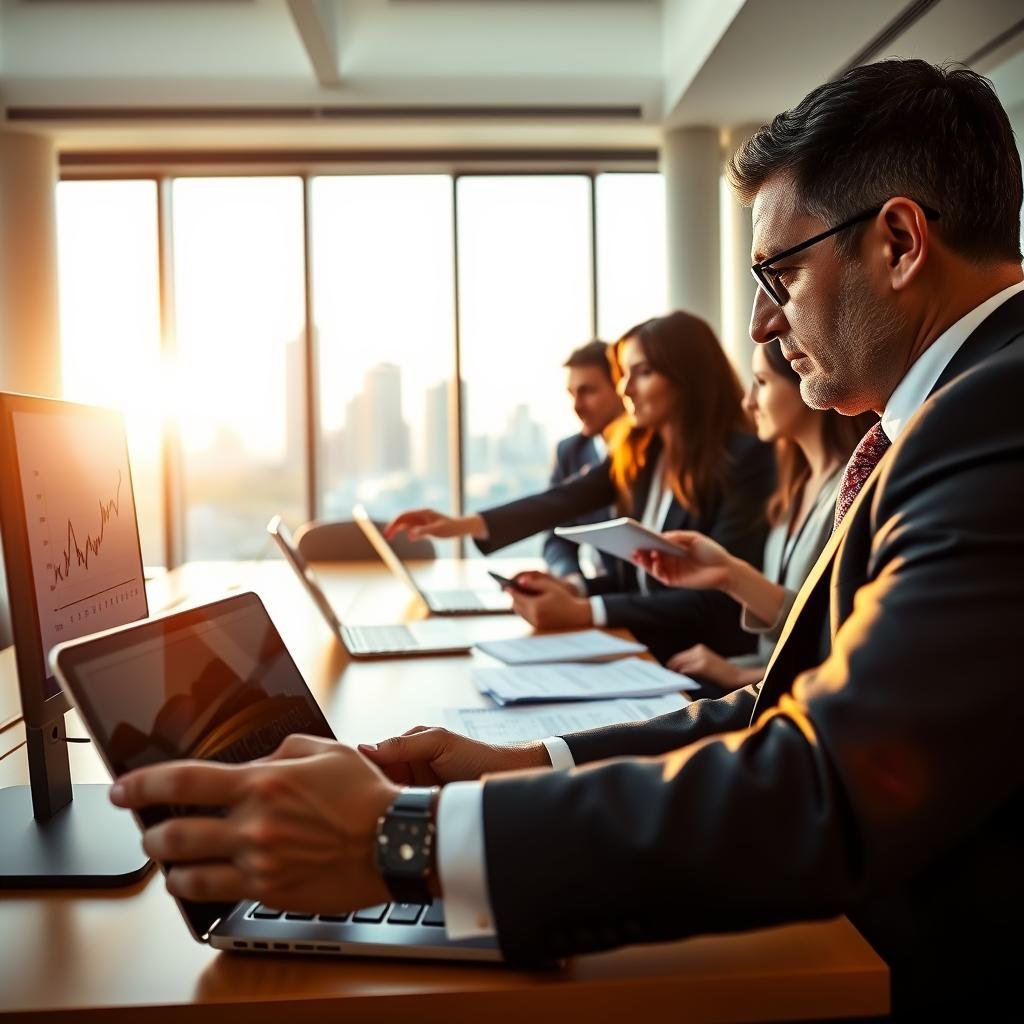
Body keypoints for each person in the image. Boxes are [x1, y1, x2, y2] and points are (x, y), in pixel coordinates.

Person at [110, 60, 1024, 1016]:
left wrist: (404, 842)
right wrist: (524, 766)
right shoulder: (953, 416)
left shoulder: (996, 416)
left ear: (900, 242)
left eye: (781, 274)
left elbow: (825, 786)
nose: (759, 325)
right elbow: (782, 713)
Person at [387, 311, 776, 663]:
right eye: (624, 374)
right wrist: (461, 525)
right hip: (638, 648)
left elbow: (716, 599)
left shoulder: (743, 458)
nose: (626, 390)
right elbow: (562, 501)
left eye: (642, 373)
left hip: (698, 659)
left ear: (686, 376)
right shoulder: (644, 455)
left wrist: (587, 609)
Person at [649, 340, 875, 692]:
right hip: (768, 679)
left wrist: (741, 675)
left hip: (793, 693)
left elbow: (833, 638)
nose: (748, 401)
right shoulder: (794, 488)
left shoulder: (851, 491)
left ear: (804, 378)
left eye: (763, 383)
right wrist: (726, 573)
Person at [541, 339, 625, 584]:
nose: (577, 407)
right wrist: (571, 580)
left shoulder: (652, 452)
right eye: (572, 394)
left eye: (588, 391)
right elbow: (556, 536)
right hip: (596, 593)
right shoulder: (570, 451)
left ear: (621, 388)